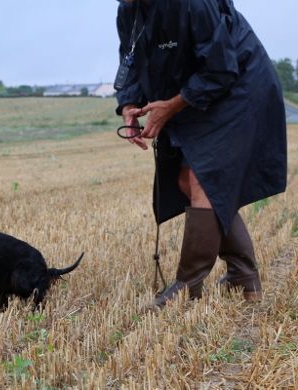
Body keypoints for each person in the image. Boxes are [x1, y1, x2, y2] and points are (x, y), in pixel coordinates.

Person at [114, 0, 287, 307]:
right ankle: (242, 276)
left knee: (203, 177)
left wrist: (171, 106)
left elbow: (220, 68)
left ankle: (187, 286)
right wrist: (128, 105)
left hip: (239, 87)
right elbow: (130, 62)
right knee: (186, 180)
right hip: (198, 92)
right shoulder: (129, 11)